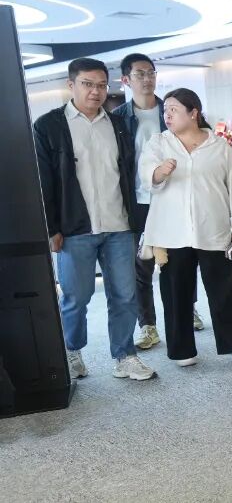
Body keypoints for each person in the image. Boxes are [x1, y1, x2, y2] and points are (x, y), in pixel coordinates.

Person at [33, 58, 156, 381]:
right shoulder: (49, 126)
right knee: (76, 297)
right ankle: (72, 352)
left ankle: (125, 355)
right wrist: (51, 228)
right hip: (74, 228)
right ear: (71, 85)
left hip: (119, 225)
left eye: (101, 85)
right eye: (87, 84)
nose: (96, 91)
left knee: (125, 295)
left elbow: (130, 173)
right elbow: (43, 181)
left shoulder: (118, 124)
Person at [140, 89, 232, 367]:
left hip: (213, 227)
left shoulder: (218, 146)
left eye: (174, 109)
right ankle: (182, 350)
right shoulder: (158, 143)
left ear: (194, 113)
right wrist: (159, 172)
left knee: (225, 288)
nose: (167, 115)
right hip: (172, 232)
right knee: (175, 292)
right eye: (165, 110)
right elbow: (146, 175)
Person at [115, 53, 166, 349]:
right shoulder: (118, 118)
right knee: (141, 265)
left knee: (179, 259)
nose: (147, 79)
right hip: (137, 200)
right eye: (140, 74)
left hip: (171, 198)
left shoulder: (172, 109)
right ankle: (147, 325)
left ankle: (188, 309)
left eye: (151, 73)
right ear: (126, 80)